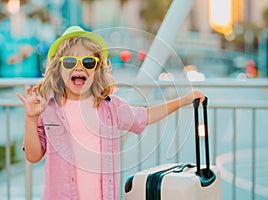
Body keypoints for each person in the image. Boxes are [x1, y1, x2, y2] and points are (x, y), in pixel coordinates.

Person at [16, 26, 205, 200]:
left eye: (88, 62)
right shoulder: (48, 109)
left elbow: (145, 116)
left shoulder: (111, 107)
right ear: (58, 69)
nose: (79, 67)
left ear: (98, 69)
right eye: (70, 62)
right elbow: (33, 156)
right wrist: (30, 118)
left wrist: (183, 100)